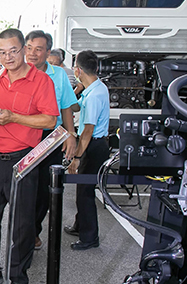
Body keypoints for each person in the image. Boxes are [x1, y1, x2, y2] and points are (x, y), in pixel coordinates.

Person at [0, 29, 59, 284]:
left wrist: (12, 117)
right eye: (2, 52)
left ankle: (17, 276)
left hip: (23, 161)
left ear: (23, 49)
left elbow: (49, 119)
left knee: (22, 226)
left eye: (13, 51)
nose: (8, 57)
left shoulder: (41, 81)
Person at [24, 30, 78, 250]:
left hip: (50, 137)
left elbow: (66, 107)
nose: (33, 54)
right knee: (26, 186)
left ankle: (34, 230)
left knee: (46, 190)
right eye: (29, 48)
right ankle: (23, 232)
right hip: (24, 136)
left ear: (48, 52)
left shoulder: (59, 75)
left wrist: (70, 135)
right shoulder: (17, 72)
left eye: (38, 49)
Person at [65, 50, 110, 250]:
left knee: (85, 192)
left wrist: (76, 157)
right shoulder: (94, 88)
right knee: (82, 189)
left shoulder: (94, 95)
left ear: (78, 69)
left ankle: (90, 237)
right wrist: (78, 89)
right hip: (94, 142)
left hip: (93, 144)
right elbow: (75, 107)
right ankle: (80, 224)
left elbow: (87, 131)